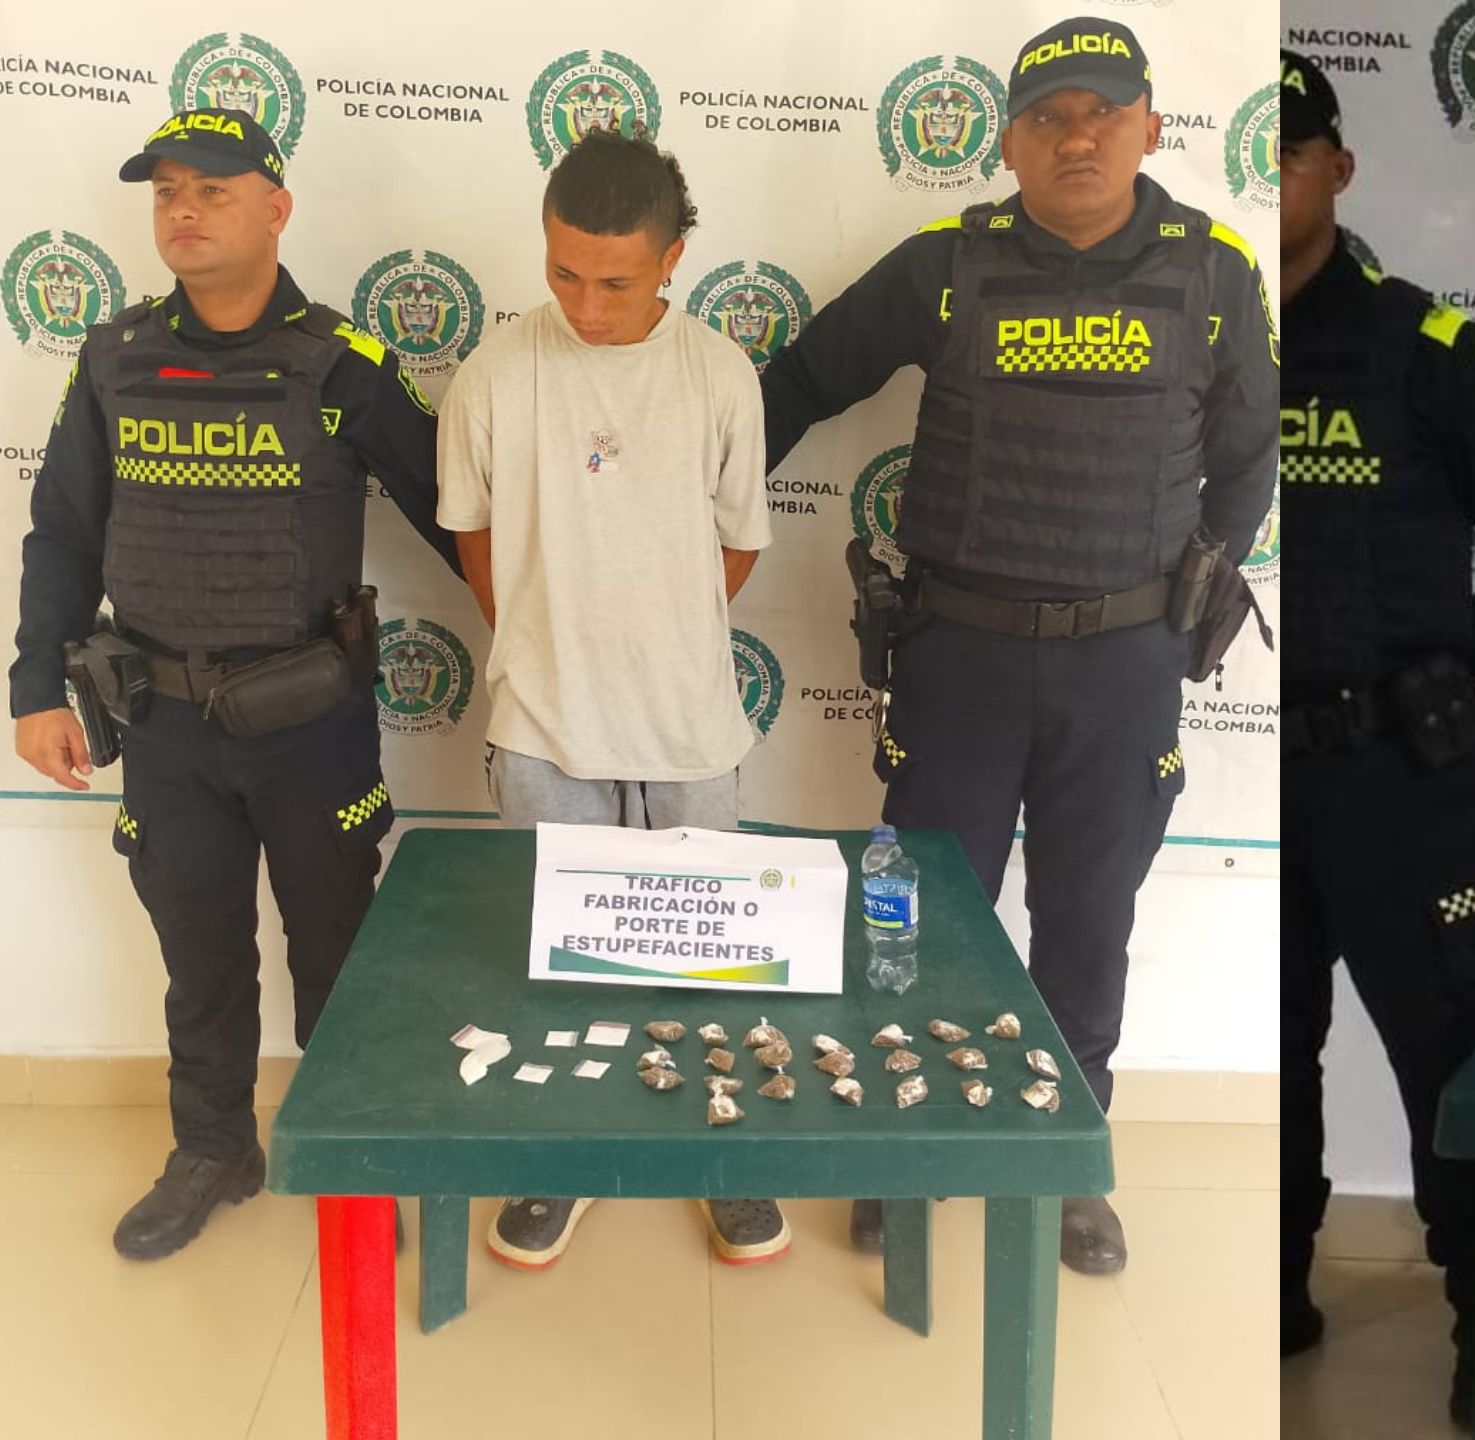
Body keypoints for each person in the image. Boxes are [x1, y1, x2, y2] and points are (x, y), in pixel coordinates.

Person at [760, 15, 1277, 1275]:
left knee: (1087, 921)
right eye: (1049, 117)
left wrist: (1194, 587)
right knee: (919, 922)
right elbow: (796, 387)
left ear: (1151, 127)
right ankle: (905, 1146)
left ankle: (1065, 1159)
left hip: (1124, 662)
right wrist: (694, 517)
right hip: (960, 659)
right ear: (1009, 141)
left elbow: (1249, 457)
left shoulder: (1215, 276)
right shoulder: (947, 265)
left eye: (1104, 113)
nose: (1077, 137)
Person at [9, 107, 457, 1259]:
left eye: (212, 188)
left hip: (312, 728)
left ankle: (354, 1157)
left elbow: (462, 520)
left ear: (276, 208)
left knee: (337, 955)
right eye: (167, 190)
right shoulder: (113, 358)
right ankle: (213, 1148)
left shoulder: (341, 365)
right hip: (163, 728)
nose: (185, 209)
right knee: (199, 957)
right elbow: (64, 533)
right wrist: (34, 685)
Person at [1274, 49, 1475, 1426]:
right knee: (1266, 1057)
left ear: (1339, 168)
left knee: (1455, 1061)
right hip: (1244, 775)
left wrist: (1448, 679)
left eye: (1291, 153)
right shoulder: (1196, 344)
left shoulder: (1428, 348)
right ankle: (1269, 1296)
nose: (1267, 181)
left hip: (1401, 782)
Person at [436, 127, 777, 1269]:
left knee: (709, 965)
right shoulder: (494, 374)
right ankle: (563, 1159)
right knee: (558, 965)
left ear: (673, 258)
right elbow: (473, 531)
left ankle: (718, 1161)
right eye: (564, 273)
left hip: (689, 728)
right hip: (545, 725)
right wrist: (546, 641)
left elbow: (736, 547)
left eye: (617, 283)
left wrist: (657, 634)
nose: (585, 306)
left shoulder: (718, 375)